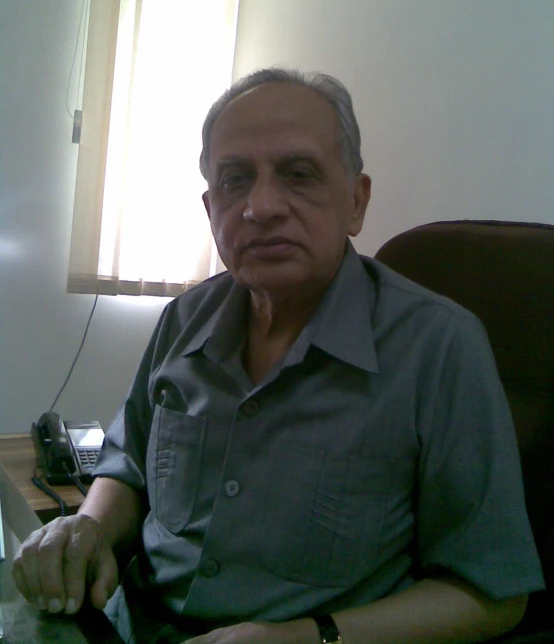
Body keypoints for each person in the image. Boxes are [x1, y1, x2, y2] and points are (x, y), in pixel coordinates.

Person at [13, 68, 544, 643]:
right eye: (235, 179)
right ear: (210, 207)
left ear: (356, 202)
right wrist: (87, 526)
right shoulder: (183, 320)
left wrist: (304, 638)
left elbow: (492, 595)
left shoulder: (440, 345)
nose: (260, 207)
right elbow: (129, 464)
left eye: (298, 174)